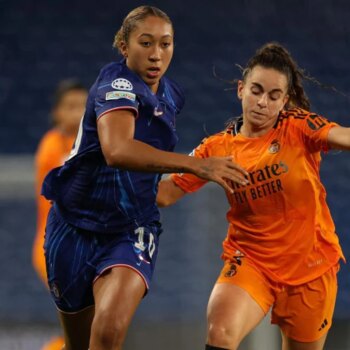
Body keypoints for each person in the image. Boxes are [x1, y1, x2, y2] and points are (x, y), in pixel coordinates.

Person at [41, 6, 247, 350]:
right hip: (73, 227)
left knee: (108, 331)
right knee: (77, 343)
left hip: (130, 227)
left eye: (166, 44)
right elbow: (117, 150)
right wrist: (195, 165)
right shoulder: (116, 84)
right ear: (124, 46)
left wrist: (184, 176)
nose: (156, 55)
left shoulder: (171, 95)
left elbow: (149, 170)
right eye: (146, 43)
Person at [157, 42, 350, 350]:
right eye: (256, 90)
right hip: (250, 261)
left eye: (274, 96)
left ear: (284, 101)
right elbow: (164, 195)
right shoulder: (216, 149)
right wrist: (122, 171)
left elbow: (342, 136)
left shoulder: (298, 128)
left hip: (310, 267)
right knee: (220, 332)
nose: (263, 102)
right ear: (240, 89)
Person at [33, 79, 88, 350]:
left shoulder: (96, 140)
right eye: (71, 106)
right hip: (54, 247)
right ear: (57, 113)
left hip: (83, 245)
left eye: (83, 106)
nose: (78, 112)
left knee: (92, 325)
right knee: (82, 326)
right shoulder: (52, 146)